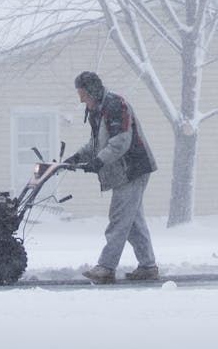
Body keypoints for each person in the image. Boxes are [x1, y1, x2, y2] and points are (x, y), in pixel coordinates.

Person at [64, 70, 160, 283]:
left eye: (82, 94)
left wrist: (98, 162)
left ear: (92, 91)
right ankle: (148, 266)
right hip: (122, 172)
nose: (80, 99)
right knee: (132, 222)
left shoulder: (116, 106)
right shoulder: (98, 110)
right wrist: (77, 157)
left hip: (132, 169)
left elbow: (120, 142)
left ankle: (106, 267)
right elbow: (97, 143)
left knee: (118, 219)